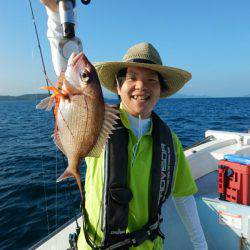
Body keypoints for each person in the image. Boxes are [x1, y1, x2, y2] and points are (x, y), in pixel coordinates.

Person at [40, 1, 208, 249]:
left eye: (152, 80)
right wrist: (56, 13)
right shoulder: (98, 122)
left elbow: (183, 196)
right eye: (132, 78)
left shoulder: (170, 141)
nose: (141, 86)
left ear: (161, 91)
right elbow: (67, 64)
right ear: (118, 88)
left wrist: (200, 244)